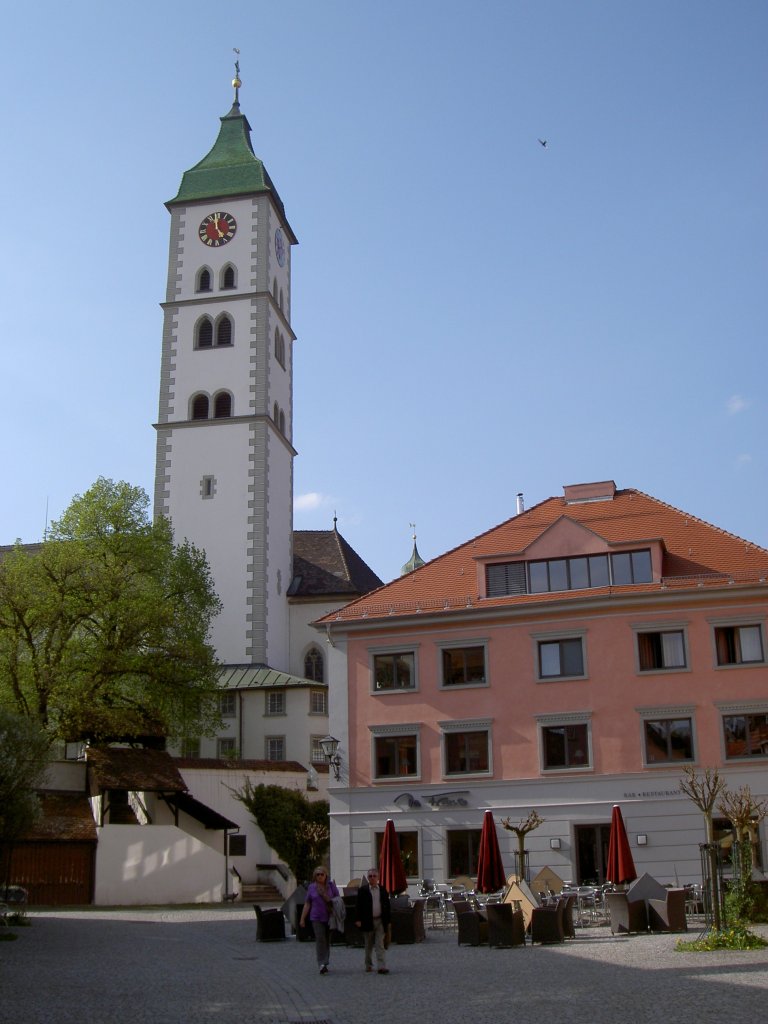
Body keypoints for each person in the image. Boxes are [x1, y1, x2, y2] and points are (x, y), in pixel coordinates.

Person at [299, 866, 339, 974]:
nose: (320, 876)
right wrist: (302, 919)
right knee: (320, 939)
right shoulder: (312, 887)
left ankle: (325, 961)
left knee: (327, 940)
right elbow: (307, 903)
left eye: (322, 874)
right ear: (314, 876)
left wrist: (328, 898)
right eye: (318, 874)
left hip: (329, 917)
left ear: (326, 875)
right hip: (316, 917)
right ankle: (321, 963)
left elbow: (338, 900)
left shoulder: (331, 886)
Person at [355, 867, 391, 974]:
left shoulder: (383, 890)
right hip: (367, 921)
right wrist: (358, 919)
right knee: (368, 944)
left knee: (379, 943)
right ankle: (368, 964)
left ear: (378, 877)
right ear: (368, 878)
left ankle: (381, 966)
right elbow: (358, 906)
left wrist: (388, 921)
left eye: (374, 876)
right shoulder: (363, 890)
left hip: (380, 920)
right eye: (370, 876)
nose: (372, 878)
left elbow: (387, 906)